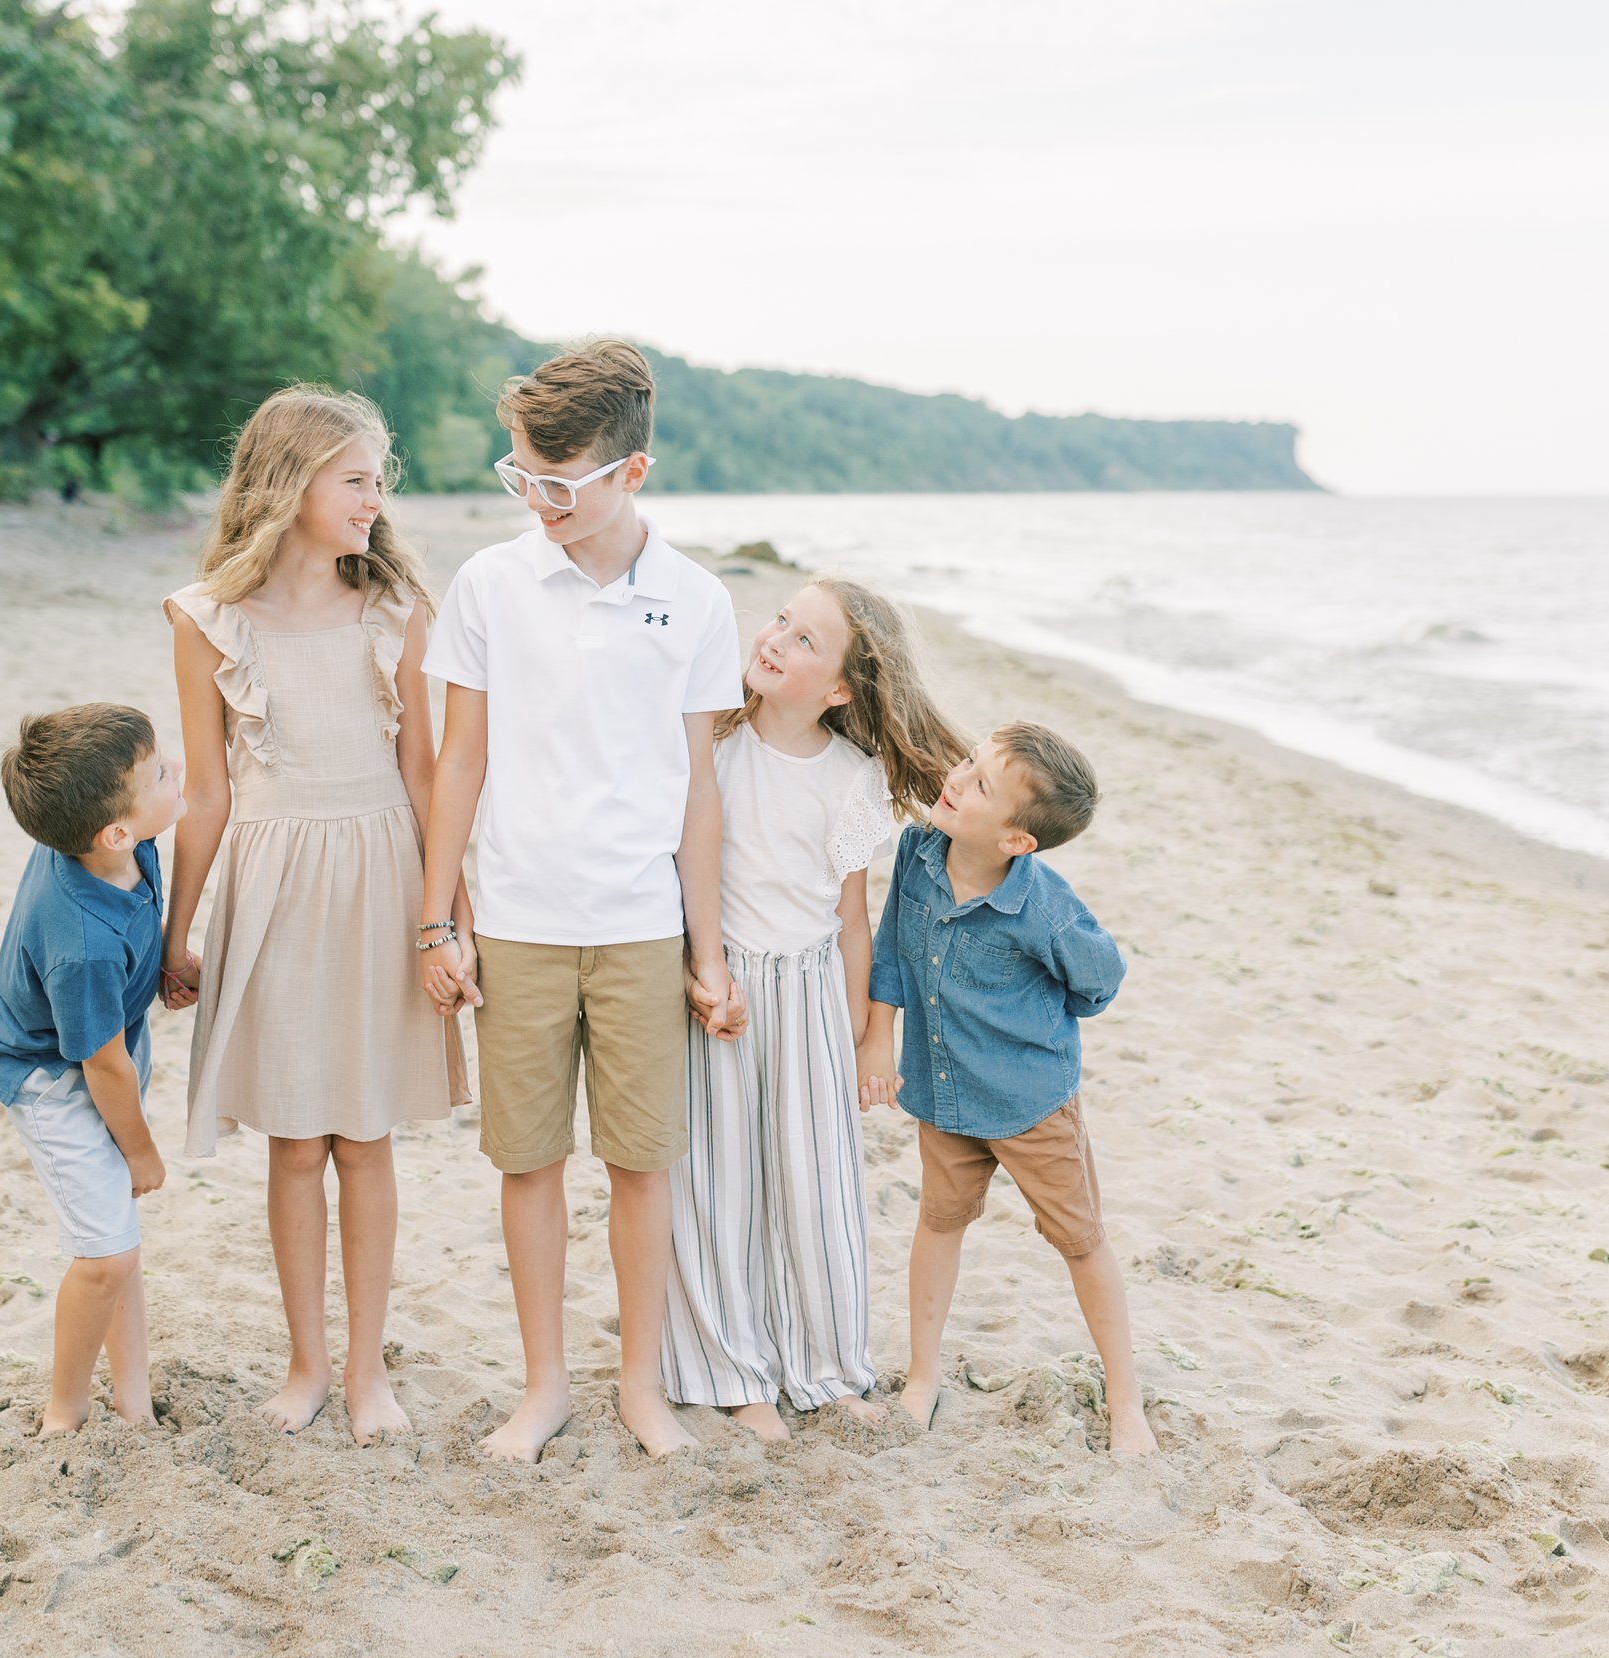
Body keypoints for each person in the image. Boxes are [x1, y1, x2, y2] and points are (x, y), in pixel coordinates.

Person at [417, 339, 744, 1460]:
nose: (538, 501)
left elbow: (700, 787)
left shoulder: (696, 600)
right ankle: (545, 1382)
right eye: (522, 477)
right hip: (515, 915)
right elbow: (457, 763)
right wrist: (437, 916)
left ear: (631, 472)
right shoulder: (489, 584)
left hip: (642, 922)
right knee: (526, 1159)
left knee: (643, 1161)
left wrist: (708, 948)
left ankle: (640, 1385)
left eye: (561, 483)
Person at [160, 385, 468, 1444]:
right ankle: (305, 1363)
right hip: (275, 885)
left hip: (381, 878)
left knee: (366, 1138)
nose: (376, 499)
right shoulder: (206, 618)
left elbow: (427, 778)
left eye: (380, 478)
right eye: (356, 479)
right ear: (290, 485)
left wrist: (447, 918)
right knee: (294, 1143)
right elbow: (205, 794)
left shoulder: (396, 613)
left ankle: (369, 1369)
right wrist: (177, 931)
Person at [661, 580, 965, 1438]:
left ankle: (824, 1367)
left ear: (839, 689)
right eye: (782, 622)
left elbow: (851, 922)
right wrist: (699, 971)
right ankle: (734, 1371)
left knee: (815, 1183)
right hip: (719, 992)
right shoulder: (710, 742)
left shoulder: (851, 777)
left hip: (808, 998)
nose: (777, 639)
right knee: (717, 1184)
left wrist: (871, 1036)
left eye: (805, 641)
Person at [858, 722, 1156, 1455]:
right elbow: (894, 947)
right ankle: (922, 1376)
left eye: (982, 784)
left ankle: (1127, 1403)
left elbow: (1098, 982)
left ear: (1018, 840)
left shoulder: (1044, 906)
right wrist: (877, 1038)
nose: (957, 778)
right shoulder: (919, 853)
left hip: (1030, 1103)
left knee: (1080, 1240)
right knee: (940, 1220)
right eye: (967, 763)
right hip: (945, 1092)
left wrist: (1044, 1026)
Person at [0, 703, 185, 1435]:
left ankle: (134, 1402)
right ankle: (63, 1412)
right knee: (103, 1256)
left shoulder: (113, 844)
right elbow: (101, 1069)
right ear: (114, 831)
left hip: (107, 1042)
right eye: (160, 772)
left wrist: (161, 968)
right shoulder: (83, 942)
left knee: (116, 1239)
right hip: (53, 1073)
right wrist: (142, 1150)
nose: (176, 771)